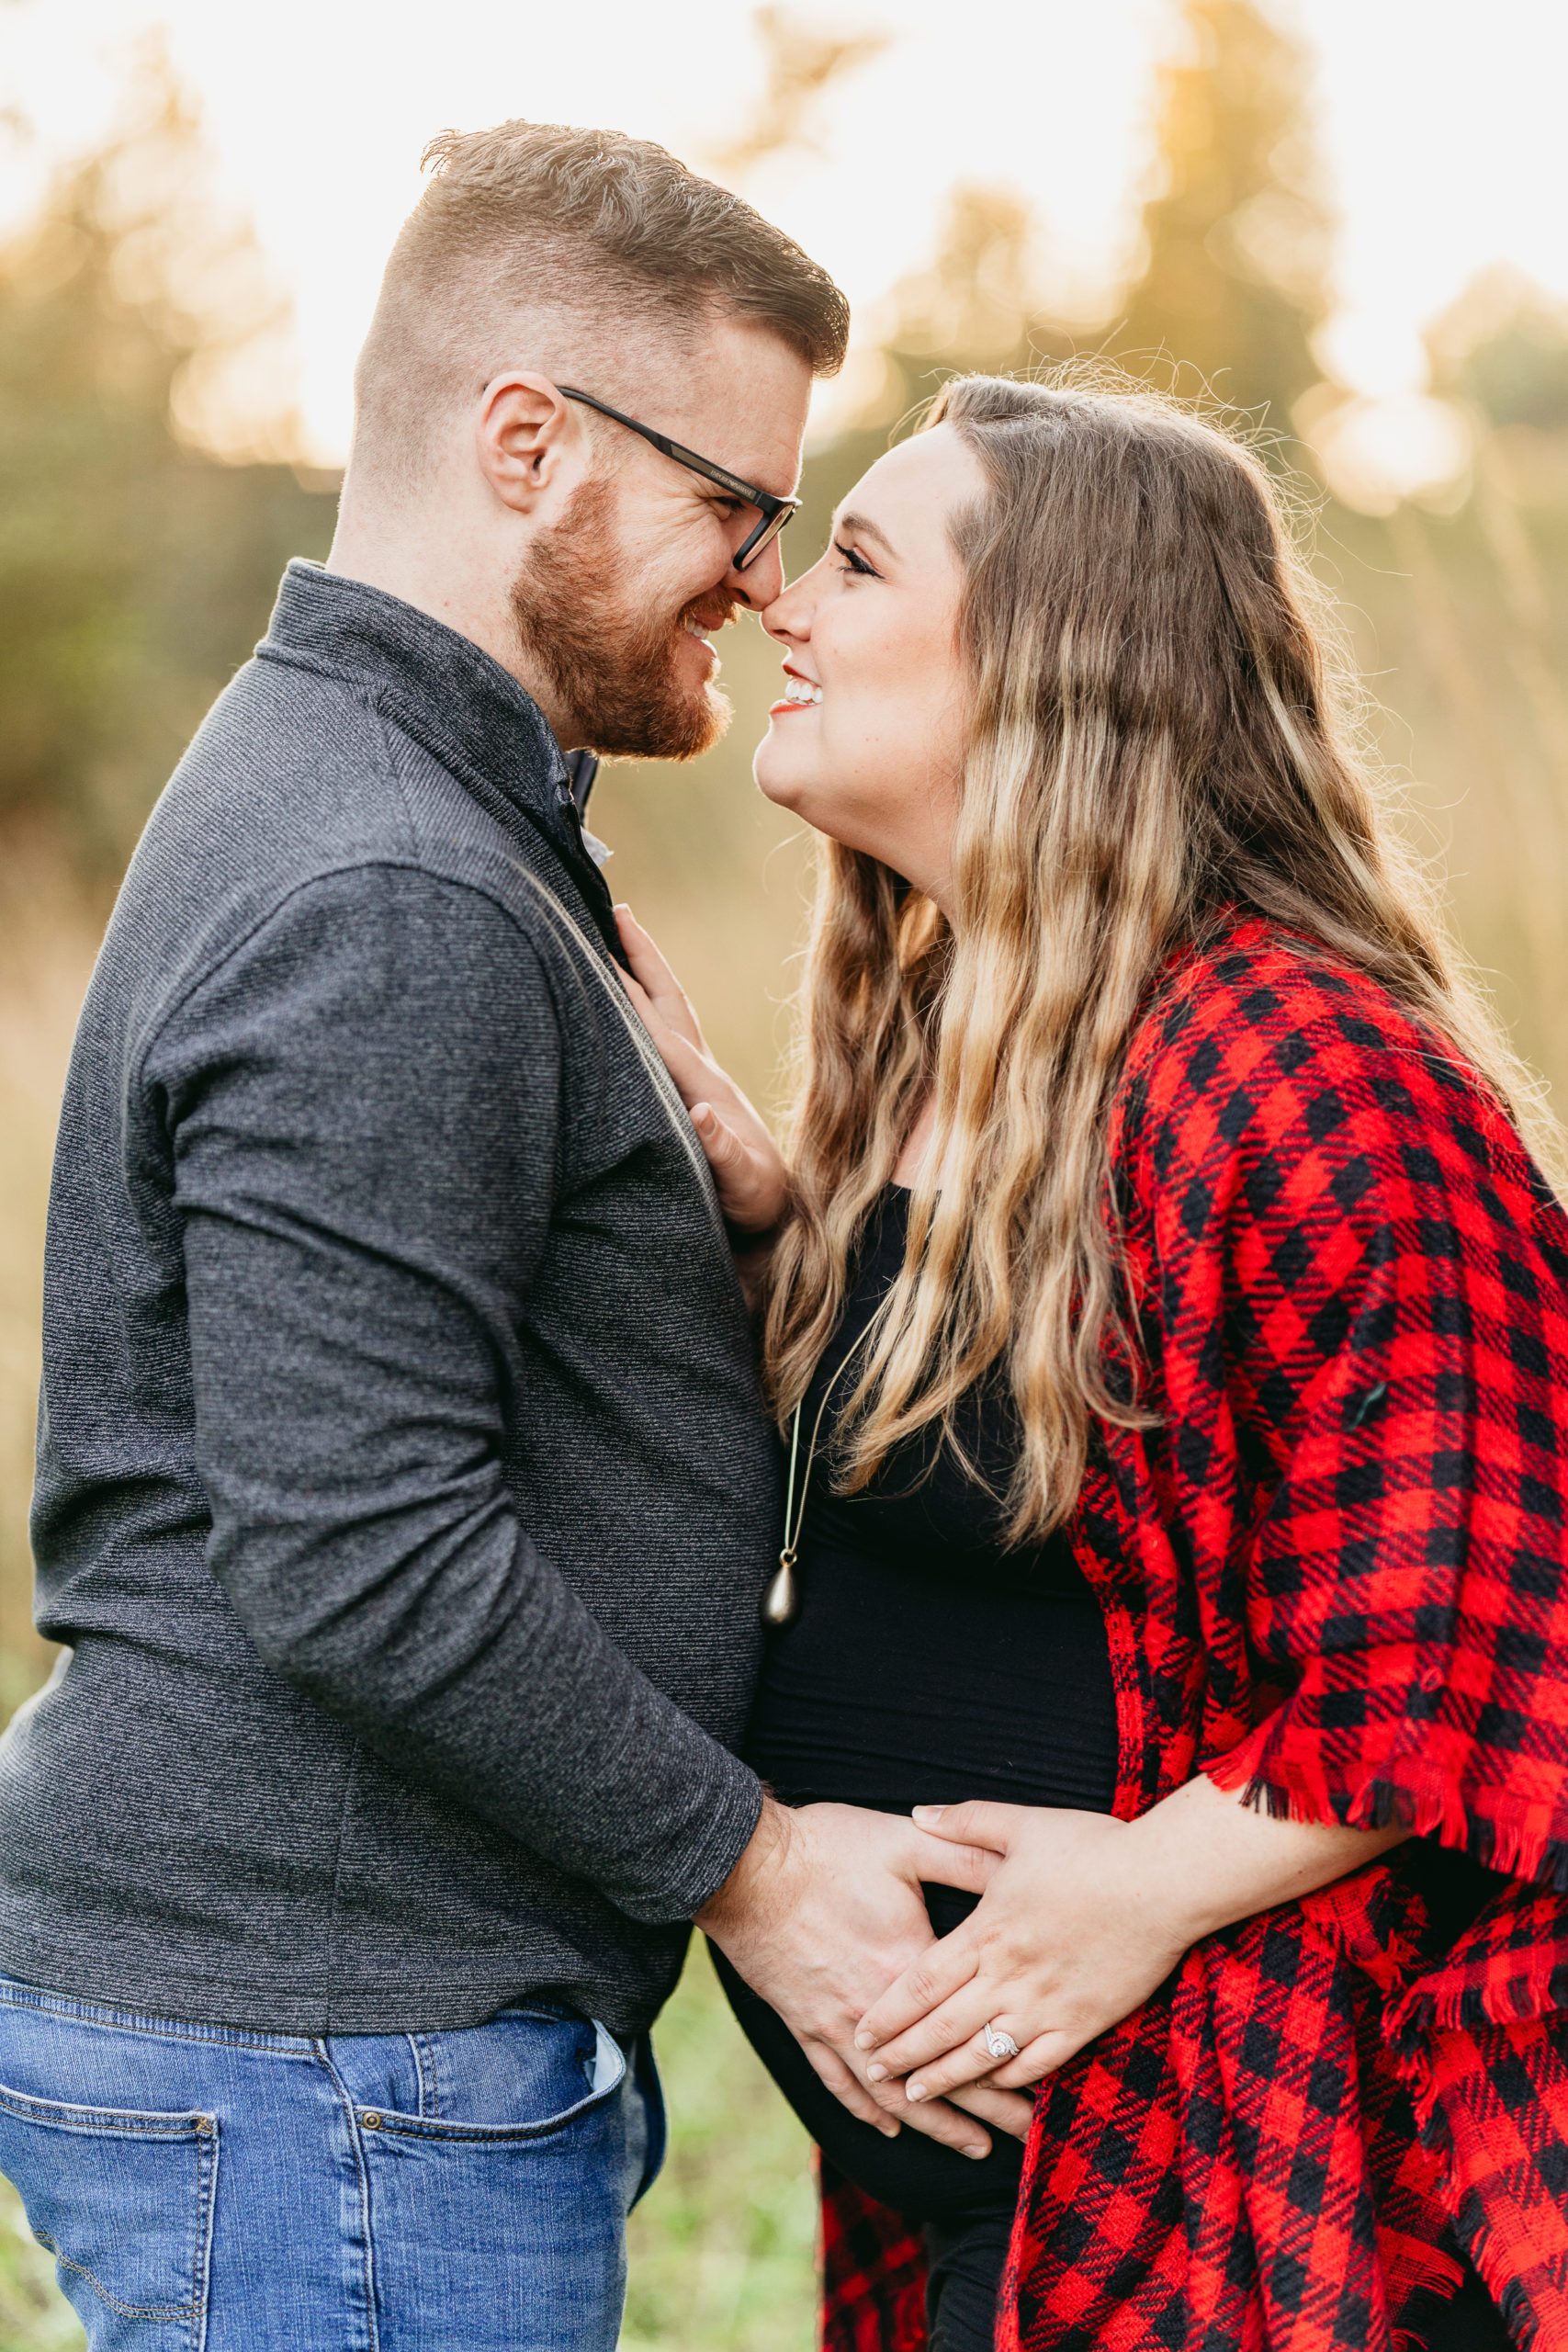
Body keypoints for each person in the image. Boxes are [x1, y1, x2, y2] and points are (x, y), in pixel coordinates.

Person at [0, 123, 1022, 2352]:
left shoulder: (418, 805)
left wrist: (754, 1242)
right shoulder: (389, 881)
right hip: (325, 2061)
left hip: (345, 2042)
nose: (762, 581)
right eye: (734, 506)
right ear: (526, 443)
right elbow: (357, 1536)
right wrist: (755, 1869)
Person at [622, 372, 1568, 2350]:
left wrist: (1138, 1888)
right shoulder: (968, 1033)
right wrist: (775, 1223)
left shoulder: (1316, 1074)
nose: (779, 600)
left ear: (1057, 663)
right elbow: (1019, 1463)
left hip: (1266, 2190)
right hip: (1029, 2216)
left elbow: (1475, 1638)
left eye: (858, 559)